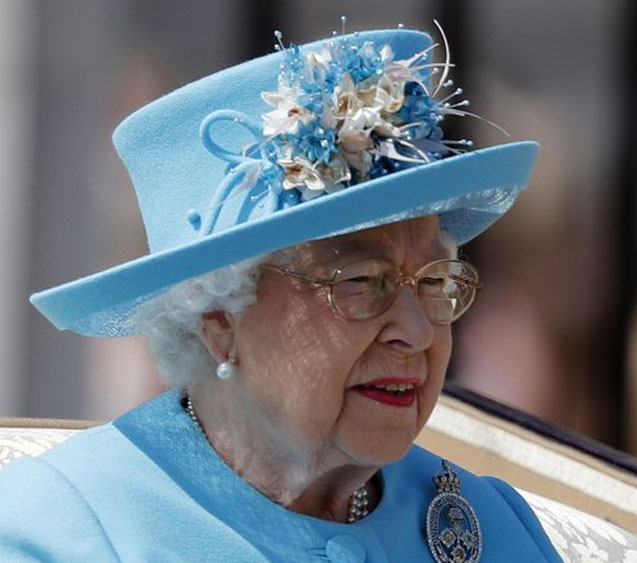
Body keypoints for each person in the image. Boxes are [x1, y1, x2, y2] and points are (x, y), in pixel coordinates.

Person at [0, 25, 561, 562]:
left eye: (435, 283)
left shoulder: (497, 528)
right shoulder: (59, 530)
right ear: (218, 317)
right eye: (364, 282)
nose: (417, 333)